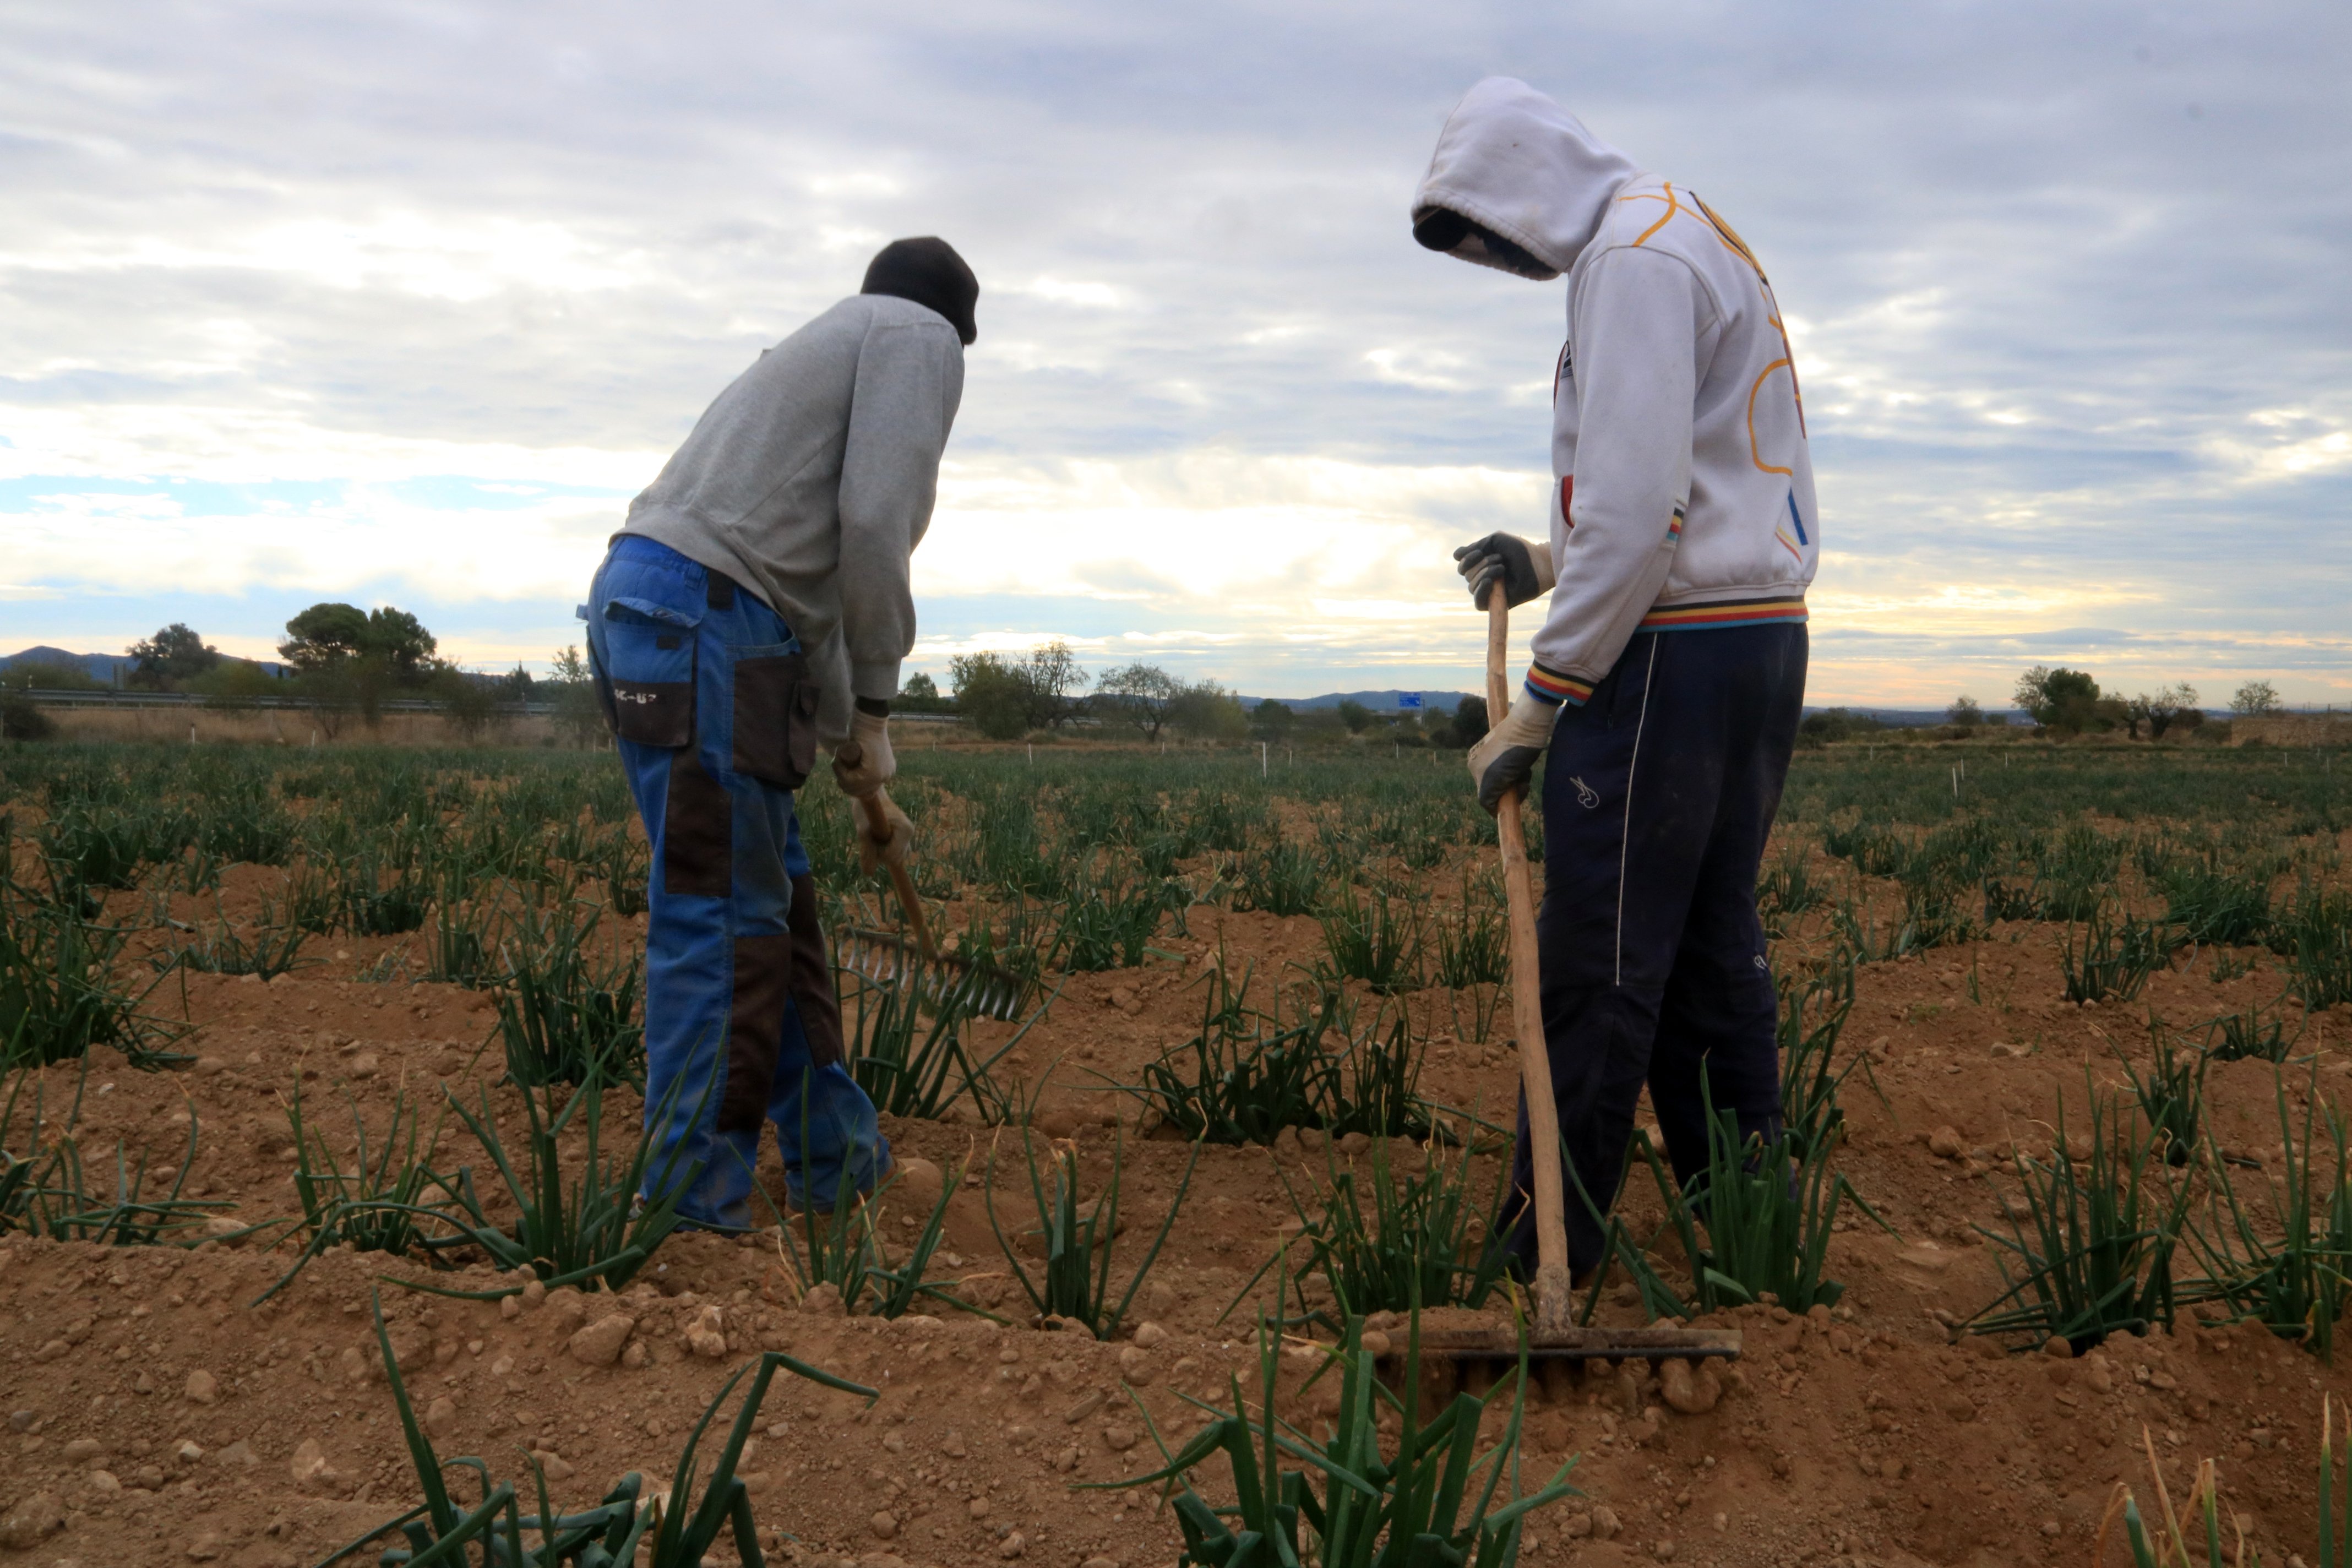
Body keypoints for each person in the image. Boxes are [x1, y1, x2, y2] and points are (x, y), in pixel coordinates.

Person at [1411, 79, 1817, 1279]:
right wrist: (1544, 558)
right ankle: (1749, 1229)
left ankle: (1548, 1255)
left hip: (1671, 658)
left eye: (1485, 233)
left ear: (1523, 180)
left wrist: (1544, 696)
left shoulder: (1630, 262)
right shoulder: (1677, 224)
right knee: (1702, 945)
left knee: (1598, 955)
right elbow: (1691, 478)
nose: (1497, 259)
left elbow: (1642, 515)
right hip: (1753, 636)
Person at [582, 237, 978, 1228]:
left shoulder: (821, 344)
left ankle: (836, 1158)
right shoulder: (916, 333)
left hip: (662, 605)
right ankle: (684, 1203)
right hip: (711, 620)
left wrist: (852, 742)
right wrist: (880, 706)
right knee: (720, 914)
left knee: (772, 903)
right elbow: (875, 527)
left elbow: (803, 586)